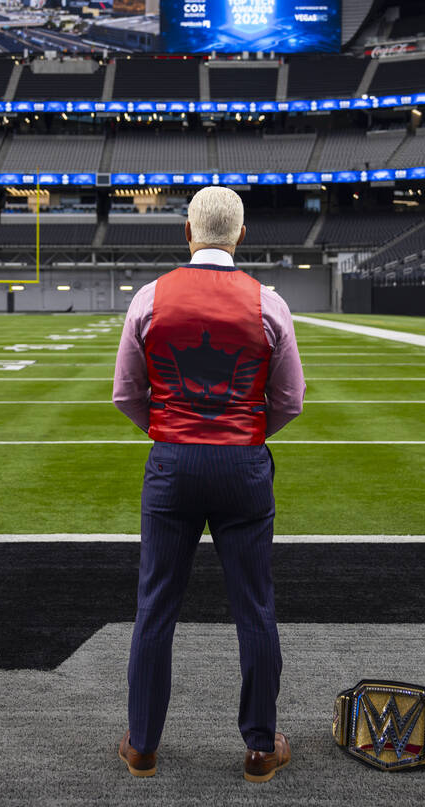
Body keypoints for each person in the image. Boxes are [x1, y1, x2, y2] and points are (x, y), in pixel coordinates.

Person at [112, 186, 306, 782]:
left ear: (187, 232)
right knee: (255, 607)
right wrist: (245, 434)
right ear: (241, 235)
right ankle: (257, 749)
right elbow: (289, 401)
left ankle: (143, 745)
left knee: (155, 608)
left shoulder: (150, 297)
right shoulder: (268, 304)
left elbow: (126, 393)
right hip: (242, 466)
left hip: (172, 463)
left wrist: (170, 432)